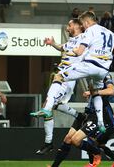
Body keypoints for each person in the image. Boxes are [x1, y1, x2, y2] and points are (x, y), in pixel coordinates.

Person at [31, 11, 114, 134]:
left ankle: (46, 108)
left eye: (83, 24)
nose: (83, 27)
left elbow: (79, 52)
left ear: (87, 22)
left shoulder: (90, 31)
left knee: (58, 77)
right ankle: (100, 122)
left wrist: (74, 49)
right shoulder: (108, 31)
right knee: (95, 92)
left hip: (90, 65)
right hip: (104, 69)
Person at [30, 19, 83, 155]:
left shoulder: (84, 39)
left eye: (70, 25)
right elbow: (62, 48)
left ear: (77, 26)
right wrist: (52, 43)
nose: (67, 27)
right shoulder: (71, 41)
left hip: (67, 78)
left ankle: (48, 143)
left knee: (48, 104)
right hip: (62, 74)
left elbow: (83, 53)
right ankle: (78, 116)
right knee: (52, 104)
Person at [49, 74, 114, 167]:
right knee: (68, 139)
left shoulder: (105, 76)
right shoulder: (88, 72)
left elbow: (111, 91)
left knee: (77, 141)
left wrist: (92, 92)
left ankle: (96, 155)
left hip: (95, 117)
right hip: (86, 114)